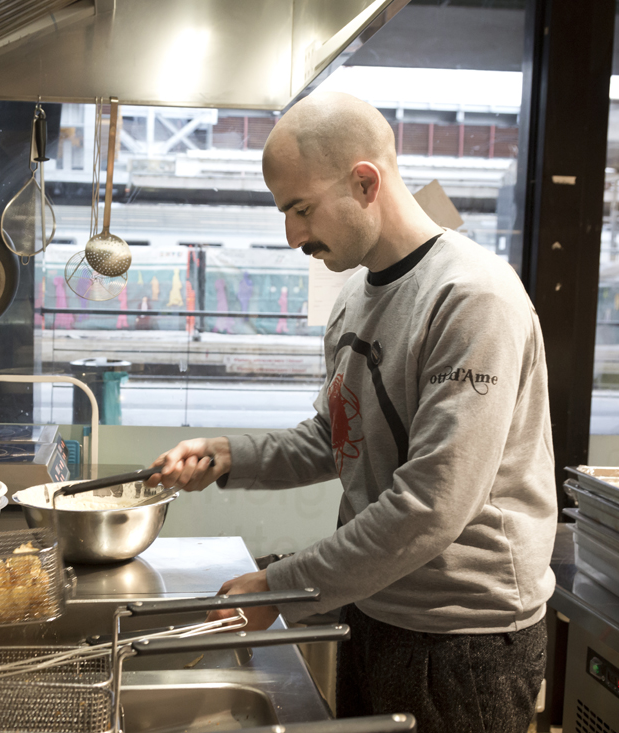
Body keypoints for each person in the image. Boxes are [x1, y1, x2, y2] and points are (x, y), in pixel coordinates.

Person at [148, 91, 557, 733]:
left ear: (365, 181)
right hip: (375, 604)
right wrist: (232, 455)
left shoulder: (473, 298)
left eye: (300, 209)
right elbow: (337, 435)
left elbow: (433, 503)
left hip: (462, 639)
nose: (292, 236)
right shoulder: (359, 295)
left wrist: (283, 584)